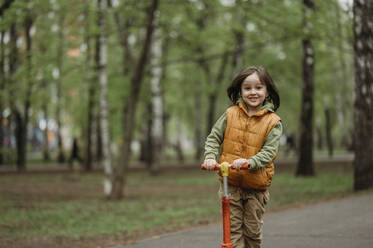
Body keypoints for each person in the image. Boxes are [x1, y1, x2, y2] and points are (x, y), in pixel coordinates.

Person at [203, 66, 283, 248]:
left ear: (267, 90)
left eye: (258, 87)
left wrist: (250, 162)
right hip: (230, 184)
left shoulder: (273, 122)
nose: (253, 92)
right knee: (232, 231)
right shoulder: (230, 114)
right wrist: (209, 157)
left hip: (256, 187)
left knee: (252, 232)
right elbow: (214, 137)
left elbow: (269, 152)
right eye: (247, 88)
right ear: (240, 91)